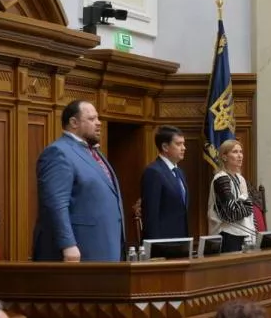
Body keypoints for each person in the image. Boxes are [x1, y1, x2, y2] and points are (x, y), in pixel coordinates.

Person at [32, 100, 125, 262]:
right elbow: (55, 203)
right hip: (80, 250)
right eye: (91, 119)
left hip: (104, 246)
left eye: (98, 118)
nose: (99, 123)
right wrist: (67, 244)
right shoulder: (58, 152)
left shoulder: (94, 152)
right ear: (73, 123)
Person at [140, 125, 188, 240]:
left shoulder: (179, 172)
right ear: (165, 147)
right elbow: (151, 215)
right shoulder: (153, 172)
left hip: (180, 239)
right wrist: (154, 248)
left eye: (183, 143)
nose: (184, 148)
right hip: (162, 243)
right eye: (178, 144)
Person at [208, 140, 256, 252]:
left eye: (241, 152)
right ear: (224, 157)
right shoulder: (221, 179)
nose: (240, 156)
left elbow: (248, 210)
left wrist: (242, 204)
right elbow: (232, 213)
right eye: (235, 152)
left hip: (243, 233)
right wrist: (245, 200)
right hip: (227, 235)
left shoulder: (240, 178)